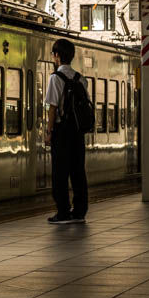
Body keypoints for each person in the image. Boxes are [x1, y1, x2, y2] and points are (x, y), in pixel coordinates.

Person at [44, 37, 89, 225]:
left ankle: (63, 211)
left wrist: (49, 130)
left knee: (60, 172)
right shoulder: (81, 79)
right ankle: (79, 211)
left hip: (62, 131)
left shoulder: (56, 78)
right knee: (78, 171)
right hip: (77, 132)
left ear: (57, 56)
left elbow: (53, 107)